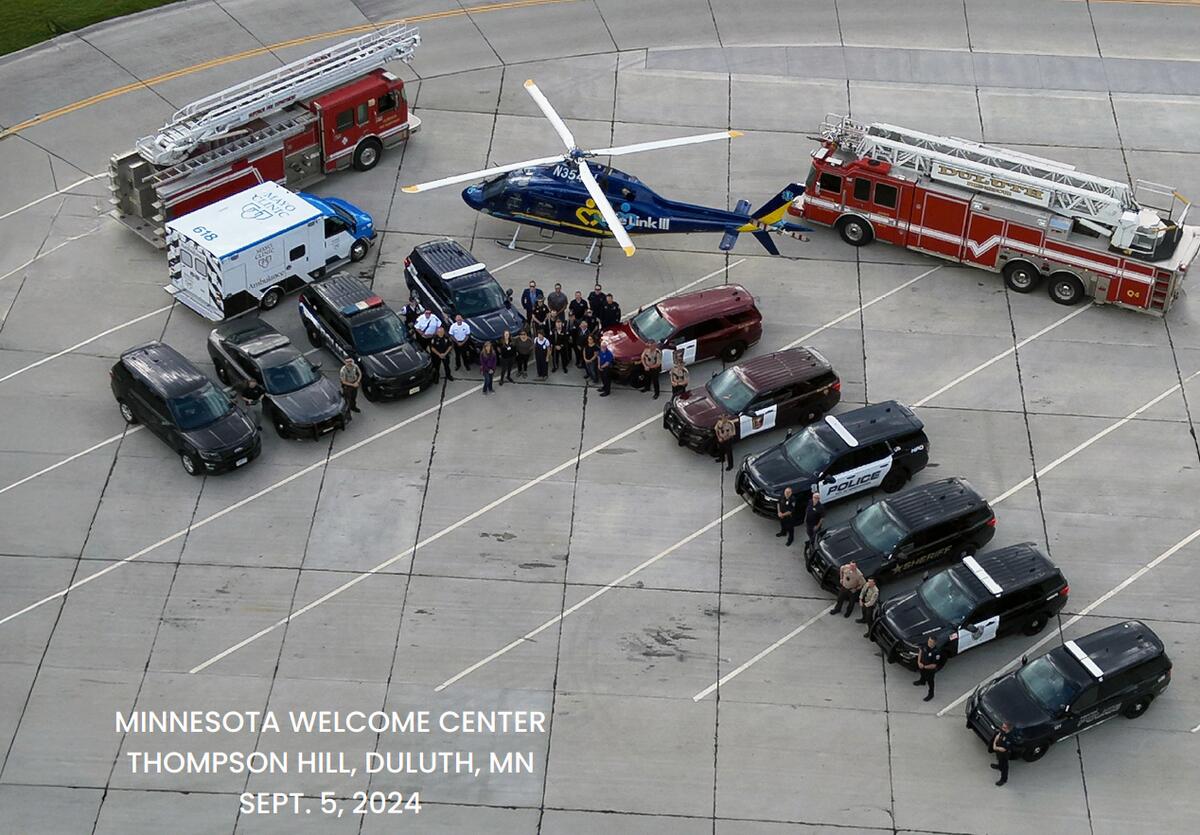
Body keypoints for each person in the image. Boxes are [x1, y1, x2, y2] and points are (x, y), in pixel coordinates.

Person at [913, 636, 944, 702]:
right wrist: (919, 662)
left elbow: (934, 665)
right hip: (922, 665)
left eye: (931, 642)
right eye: (929, 641)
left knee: (930, 682)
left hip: (929, 670)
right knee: (922, 674)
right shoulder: (925, 645)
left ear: (935, 643)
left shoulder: (937, 652)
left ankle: (931, 694)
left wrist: (924, 666)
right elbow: (920, 652)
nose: (929, 643)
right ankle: (922, 681)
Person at [803, 487, 826, 557]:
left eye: (817, 498)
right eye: (814, 497)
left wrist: (817, 526)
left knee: (814, 537)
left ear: (819, 499)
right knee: (809, 534)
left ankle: (812, 549)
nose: (815, 499)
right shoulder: (810, 502)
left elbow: (822, 518)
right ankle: (810, 541)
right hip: (808, 524)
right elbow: (807, 511)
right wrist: (805, 519)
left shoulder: (821, 507)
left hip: (814, 525)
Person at [991, 722, 1012, 786]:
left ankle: (1003, 779)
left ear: (1008, 729)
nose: (1002, 728)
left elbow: (1004, 749)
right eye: (1002, 726)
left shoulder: (1009, 738)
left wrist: (995, 747)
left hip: (1004, 754)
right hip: (999, 751)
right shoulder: (1003, 731)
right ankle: (999, 766)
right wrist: (994, 744)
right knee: (999, 759)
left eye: (1004, 727)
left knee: (1005, 766)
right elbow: (997, 737)